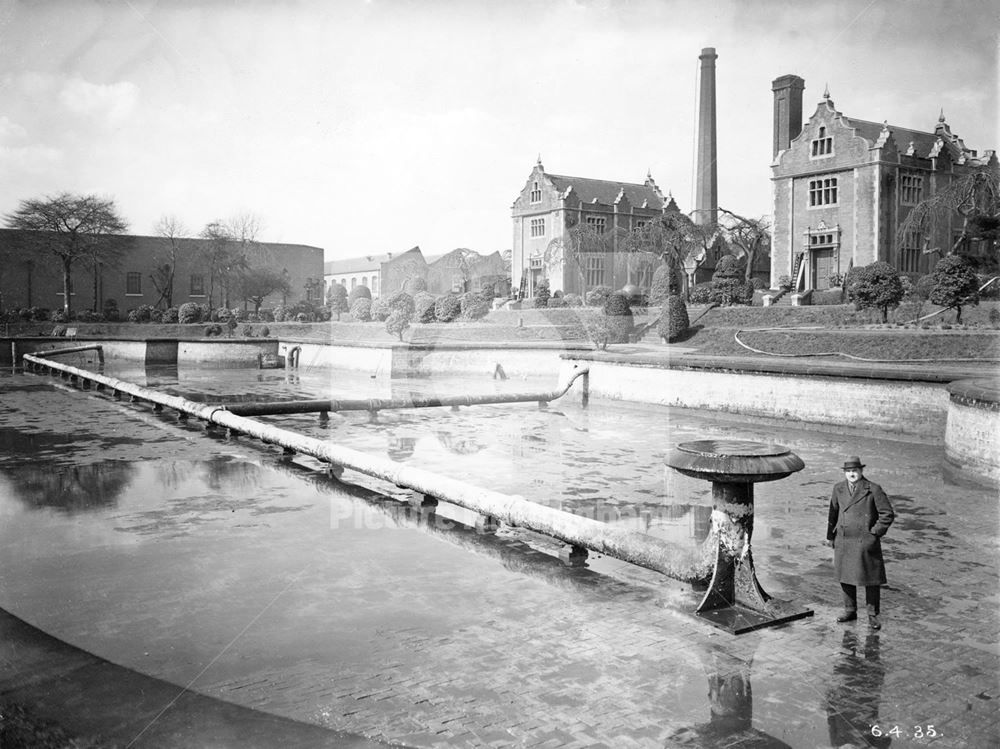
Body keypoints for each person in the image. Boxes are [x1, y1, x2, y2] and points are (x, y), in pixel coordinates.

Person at [826, 456, 894, 630]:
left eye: (855, 471)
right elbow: (832, 514)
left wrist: (874, 533)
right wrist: (830, 537)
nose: (851, 474)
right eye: (848, 471)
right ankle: (850, 610)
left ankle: (873, 615)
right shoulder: (838, 488)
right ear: (844, 473)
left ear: (861, 471)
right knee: (845, 577)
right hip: (844, 539)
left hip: (865, 541)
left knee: (871, 579)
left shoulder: (873, 489)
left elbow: (887, 514)